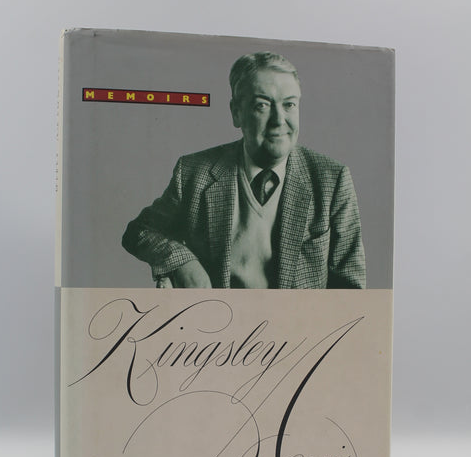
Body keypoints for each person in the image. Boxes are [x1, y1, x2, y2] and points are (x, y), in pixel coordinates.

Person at [122, 52, 366, 289]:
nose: (278, 120)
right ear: (236, 112)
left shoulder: (331, 180)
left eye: (289, 105)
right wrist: (183, 263)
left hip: (298, 319)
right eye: (262, 105)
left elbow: (351, 292)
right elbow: (139, 231)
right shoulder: (194, 173)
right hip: (218, 316)